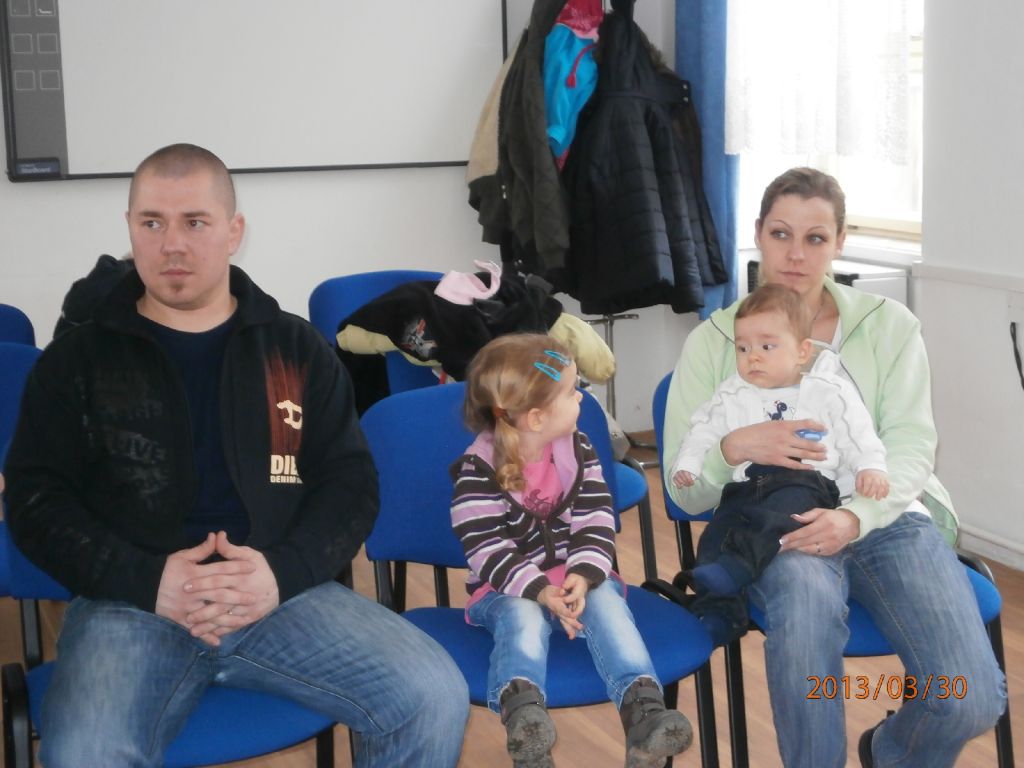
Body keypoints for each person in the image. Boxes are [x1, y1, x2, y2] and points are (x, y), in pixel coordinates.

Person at [3, 143, 469, 767]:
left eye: (195, 222)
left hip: (278, 594)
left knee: (433, 694)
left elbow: (350, 483)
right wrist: (147, 581)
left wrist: (281, 572)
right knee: (86, 752)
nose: (172, 244)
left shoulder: (295, 349)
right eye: (152, 222)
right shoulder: (75, 360)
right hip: (131, 605)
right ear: (130, 228)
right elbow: (35, 501)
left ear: (233, 232)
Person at [662, 167, 1007, 767]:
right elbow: (685, 493)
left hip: (887, 518)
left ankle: (890, 751)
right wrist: (732, 448)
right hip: (778, 524)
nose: (796, 254)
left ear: (840, 242)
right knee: (806, 619)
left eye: (816, 237)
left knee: (968, 699)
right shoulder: (715, 341)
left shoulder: (888, 326)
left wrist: (857, 516)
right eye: (780, 234)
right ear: (758, 234)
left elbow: (910, 444)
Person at [451, 333, 691, 768]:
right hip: (505, 588)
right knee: (522, 617)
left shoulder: (578, 449)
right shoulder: (478, 470)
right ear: (537, 417)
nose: (581, 397)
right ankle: (525, 720)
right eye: (571, 391)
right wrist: (539, 589)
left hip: (572, 577)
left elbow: (596, 516)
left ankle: (643, 712)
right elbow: (487, 549)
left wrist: (584, 572)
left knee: (609, 606)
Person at [670, 283, 888, 623]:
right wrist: (689, 464)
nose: (753, 356)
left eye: (767, 346)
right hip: (744, 487)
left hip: (805, 484)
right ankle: (718, 615)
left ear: (802, 351)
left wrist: (870, 467)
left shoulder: (829, 391)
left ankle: (737, 568)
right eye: (742, 348)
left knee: (776, 517)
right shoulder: (731, 394)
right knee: (717, 534)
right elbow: (702, 432)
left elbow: (858, 435)